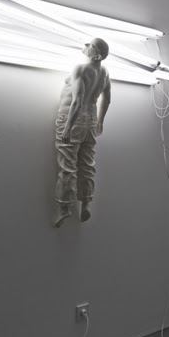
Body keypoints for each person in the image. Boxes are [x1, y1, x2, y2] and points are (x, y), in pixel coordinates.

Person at [53, 38, 111, 228]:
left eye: (90, 45)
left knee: (67, 165)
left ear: (97, 55)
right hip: (91, 120)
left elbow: (77, 101)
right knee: (87, 164)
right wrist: (100, 122)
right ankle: (86, 203)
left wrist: (68, 127)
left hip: (73, 119)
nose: (86, 45)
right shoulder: (104, 72)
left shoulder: (80, 68)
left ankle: (64, 208)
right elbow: (107, 99)